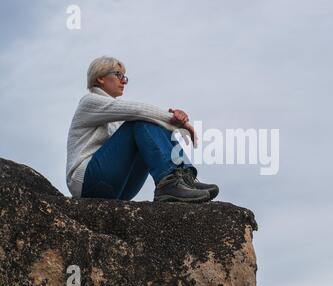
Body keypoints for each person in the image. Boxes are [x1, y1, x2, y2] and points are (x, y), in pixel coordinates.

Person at [65, 56, 219, 202]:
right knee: (141, 121)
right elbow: (138, 111)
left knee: (152, 124)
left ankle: (185, 178)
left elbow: (145, 119)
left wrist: (170, 118)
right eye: (119, 75)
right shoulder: (89, 102)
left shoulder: (115, 117)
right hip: (86, 182)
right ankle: (168, 185)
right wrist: (178, 122)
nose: (123, 81)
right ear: (100, 77)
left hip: (119, 188)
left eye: (124, 77)